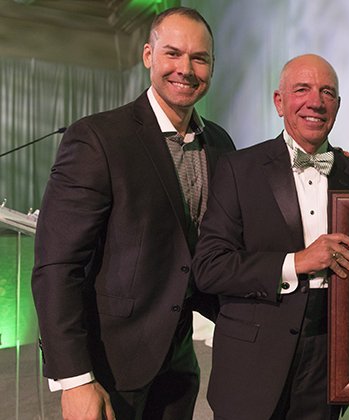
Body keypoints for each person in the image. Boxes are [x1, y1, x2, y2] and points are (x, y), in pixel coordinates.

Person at [31, 7, 235, 419]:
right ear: (148, 56)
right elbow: (57, 265)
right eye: (173, 54)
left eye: (200, 58)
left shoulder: (220, 143)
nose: (186, 69)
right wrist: (75, 380)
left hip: (178, 366)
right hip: (110, 365)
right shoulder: (97, 138)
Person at [191, 54, 349, 420]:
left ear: (337, 105)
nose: (316, 101)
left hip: (328, 360)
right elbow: (209, 267)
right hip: (251, 361)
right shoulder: (238, 168)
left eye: (327, 92)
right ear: (279, 102)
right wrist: (296, 262)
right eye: (302, 89)